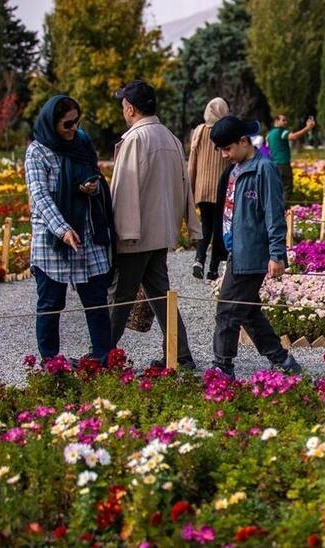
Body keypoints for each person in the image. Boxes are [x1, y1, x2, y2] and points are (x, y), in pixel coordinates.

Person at [108, 80, 202, 370]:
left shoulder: (135, 139)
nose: (123, 110)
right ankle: (181, 353)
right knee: (161, 294)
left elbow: (124, 190)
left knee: (120, 296)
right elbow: (185, 187)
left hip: (136, 233)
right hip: (161, 232)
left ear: (131, 109)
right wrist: (190, 227)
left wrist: (120, 235)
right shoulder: (171, 138)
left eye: (124, 105)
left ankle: (101, 353)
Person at [207, 115, 302, 380]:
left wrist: (276, 254)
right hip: (237, 250)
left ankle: (222, 366)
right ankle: (282, 359)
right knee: (247, 310)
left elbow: (274, 214)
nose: (224, 155)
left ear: (243, 141)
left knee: (227, 309)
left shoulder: (264, 168)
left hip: (252, 253)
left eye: (227, 149)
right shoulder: (235, 169)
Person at [25, 95, 114, 365]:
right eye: (67, 124)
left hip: (87, 233)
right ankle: (51, 361)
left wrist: (92, 186)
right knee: (50, 304)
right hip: (52, 239)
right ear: (52, 123)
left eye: (76, 122)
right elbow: (39, 196)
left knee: (97, 300)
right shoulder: (37, 151)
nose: (73, 129)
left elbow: (93, 175)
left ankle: (102, 358)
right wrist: (62, 229)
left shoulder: (82, 143)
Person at [188, 97, 230, 282]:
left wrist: (190, 187)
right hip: (220, 189)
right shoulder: (226, 131)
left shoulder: (199, 130)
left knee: (205, 226)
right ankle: (213, 269)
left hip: (202, 188)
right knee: (219, 229)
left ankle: (199, 260)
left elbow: (192, 163)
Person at [266, 114, 315, 206]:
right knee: (286, 187)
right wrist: (307, 128)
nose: (286, 122)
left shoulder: (270, 134)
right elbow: (293, 137)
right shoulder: (281, 132)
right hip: (283, 164)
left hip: (273, 164)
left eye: (286, 120)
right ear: (276, 121)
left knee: (276, 188)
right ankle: (282, 209)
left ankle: (273, 207)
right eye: (283, 120)